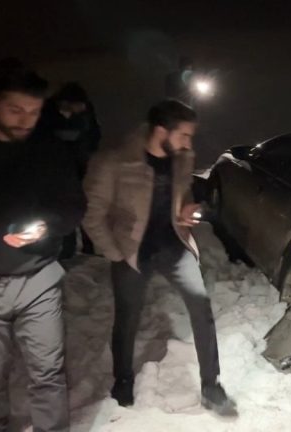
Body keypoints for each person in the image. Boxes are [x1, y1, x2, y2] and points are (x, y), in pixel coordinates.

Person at [82, 99, 236, 416]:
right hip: (132, 251)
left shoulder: (180, 160)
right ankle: (122, 379)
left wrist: (186, 208)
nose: (188, 143)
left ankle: (211, 384)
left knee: (200, 305)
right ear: (161, 131)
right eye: (183, 135)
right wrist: (114, 252)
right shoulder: (115, 163)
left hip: (173, 247)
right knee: (127, 318)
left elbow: (184, 195)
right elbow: (92, 213)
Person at [0, 63, 86, 432]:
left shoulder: (47, 151)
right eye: (15, 109)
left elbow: (74, 205)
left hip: (38, 280)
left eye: (33, 111)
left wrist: (48, 225)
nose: (25, 120)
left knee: (47, 373)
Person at [38, 82, 101, 258]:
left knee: (84, 204)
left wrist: (88, 151)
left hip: (81, 163)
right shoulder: (47, 111)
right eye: (77, 105)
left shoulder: (85, 111)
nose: (80, 108)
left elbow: (95, 133)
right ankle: (67, 248)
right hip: (56, 167)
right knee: (64, 205)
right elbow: (42, 136)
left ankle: (89, 246)